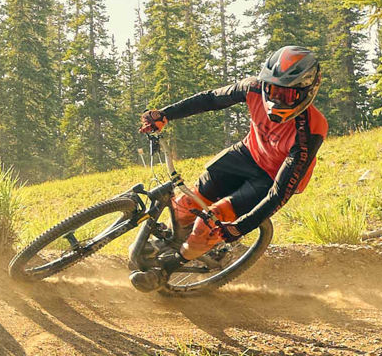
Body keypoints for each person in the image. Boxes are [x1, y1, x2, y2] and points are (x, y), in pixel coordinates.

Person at [137, 45, 326, 268]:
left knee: (207, 225)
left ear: (307, 91)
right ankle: (174, 243)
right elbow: (211, 100)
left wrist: (240, 227)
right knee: (184, 205)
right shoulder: (253, 88)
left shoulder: (311, 130)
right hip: (247, 154)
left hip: (271, 178)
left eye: (287, 95)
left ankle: (170, 269)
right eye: (273, 91)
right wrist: (165, 114)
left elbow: (279, 193)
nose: (277, 100)